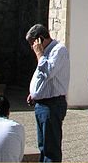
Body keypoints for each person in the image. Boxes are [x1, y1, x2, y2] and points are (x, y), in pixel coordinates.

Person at [26, 23, 70, 163]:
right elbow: (41, 76)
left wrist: (39, 54)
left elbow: (48, 72)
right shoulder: (45, 53)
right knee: (43, 146)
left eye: (32, 43)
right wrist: (34, 93)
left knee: (51, 148)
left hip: (52, 104)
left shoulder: (59, 50)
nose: (32, 47)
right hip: (41, 103)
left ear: (40, 39)